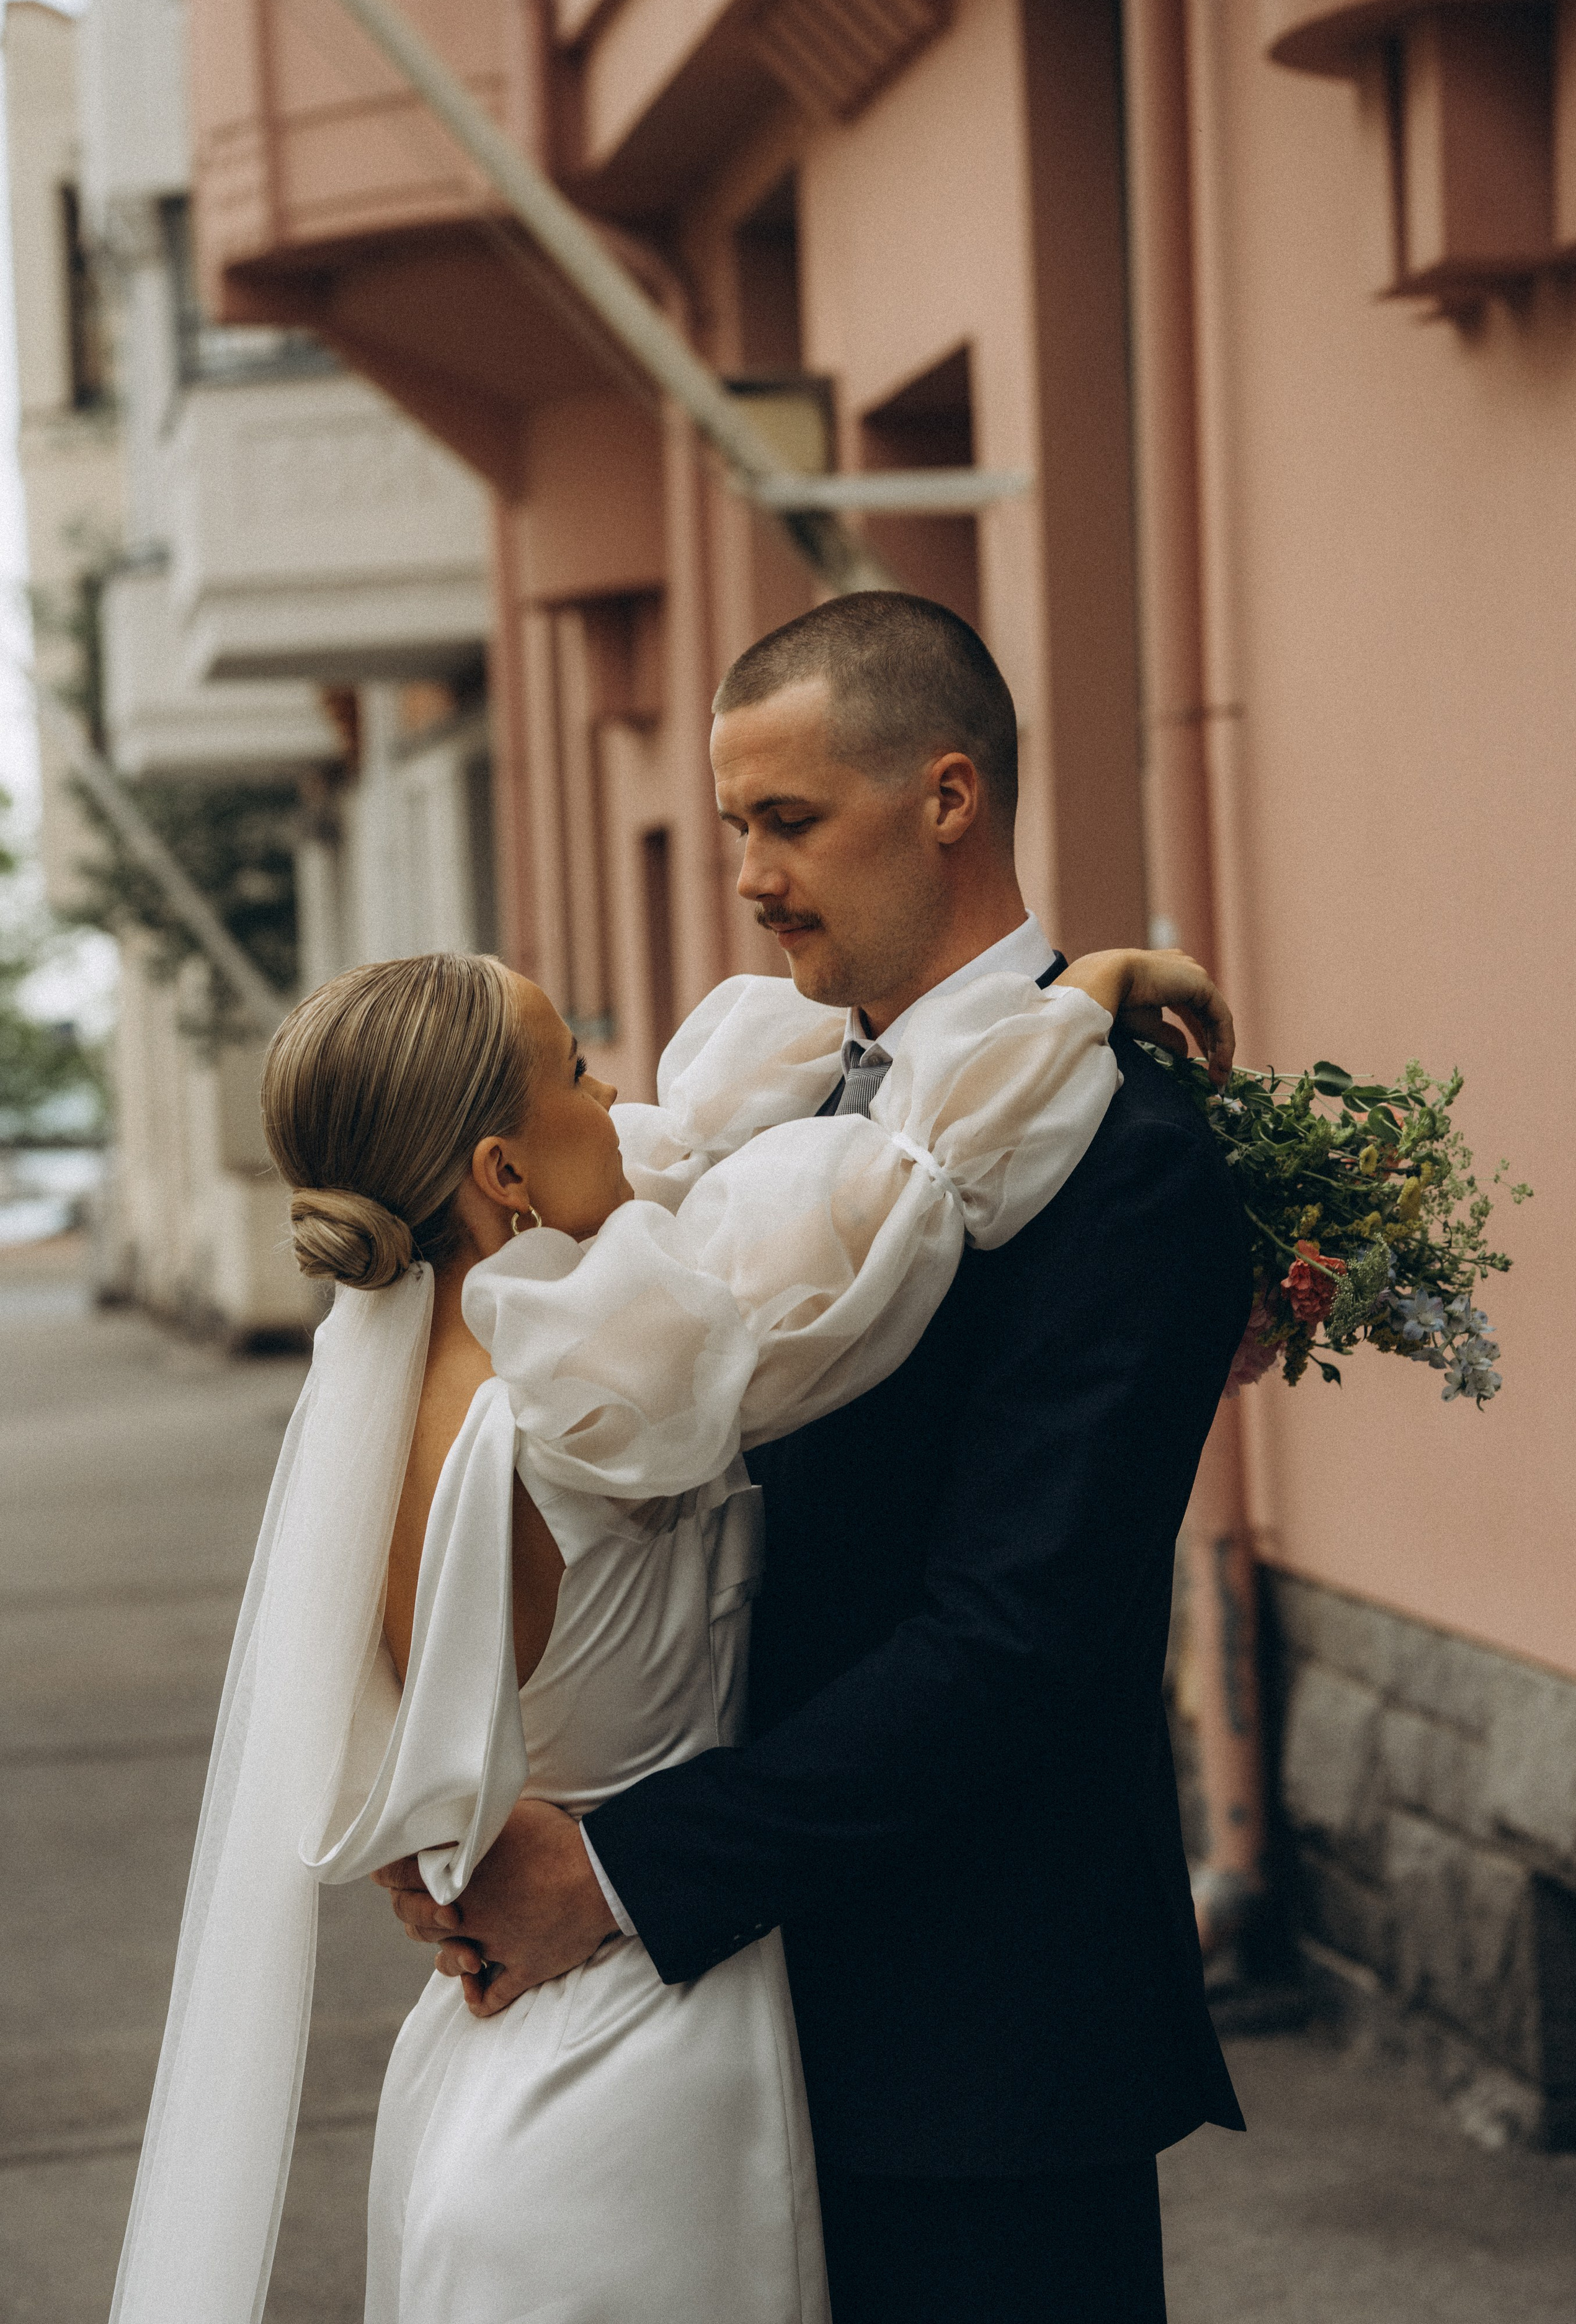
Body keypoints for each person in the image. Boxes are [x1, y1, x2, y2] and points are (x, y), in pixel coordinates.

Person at [109, 920, 1226, 2322]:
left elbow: (692, 1149)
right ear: (500, 1174)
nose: (621, 1101)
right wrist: (1072, 1006)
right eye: (577, 1073)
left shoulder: (389, 1414)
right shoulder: (592, 1398)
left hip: (483, 2068)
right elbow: (907, 1200)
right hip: (634, 2075)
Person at [380, 593, 1252, 2324]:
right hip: (716, 2030)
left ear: (949, 798)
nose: (753, 876)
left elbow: (1026, 1636)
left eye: (791, 821)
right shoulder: (786, 1094)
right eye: (734, 830)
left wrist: (619, 1875)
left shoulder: (1128, 1158)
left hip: (971, 2046)